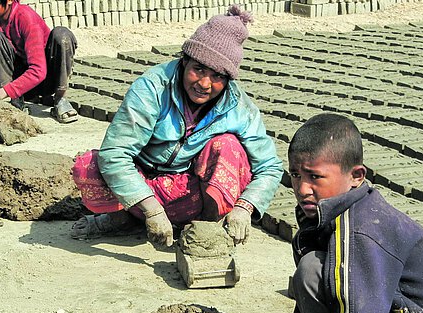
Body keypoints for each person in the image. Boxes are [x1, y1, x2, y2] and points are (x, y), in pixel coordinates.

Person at [70, 5, 283, 248]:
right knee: (88, 165)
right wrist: (151, 210)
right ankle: (122, 220)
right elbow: (115, 153)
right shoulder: (152, 87)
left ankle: (205, 231)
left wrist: (245, 208)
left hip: (188, 192)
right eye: (198, 69)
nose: (204, 83)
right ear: (184, 60)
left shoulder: (238, 107)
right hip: (140, 187)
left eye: (217, 76)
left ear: (228, 79)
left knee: (228, 146)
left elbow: (270, 167)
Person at [287, 113, 423, 313]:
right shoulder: (322, 212)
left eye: (315, 177)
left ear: (356, 176)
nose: (302, 188)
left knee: (312, 271)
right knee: (314, 267)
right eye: (296, 175)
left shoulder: (361, 232)